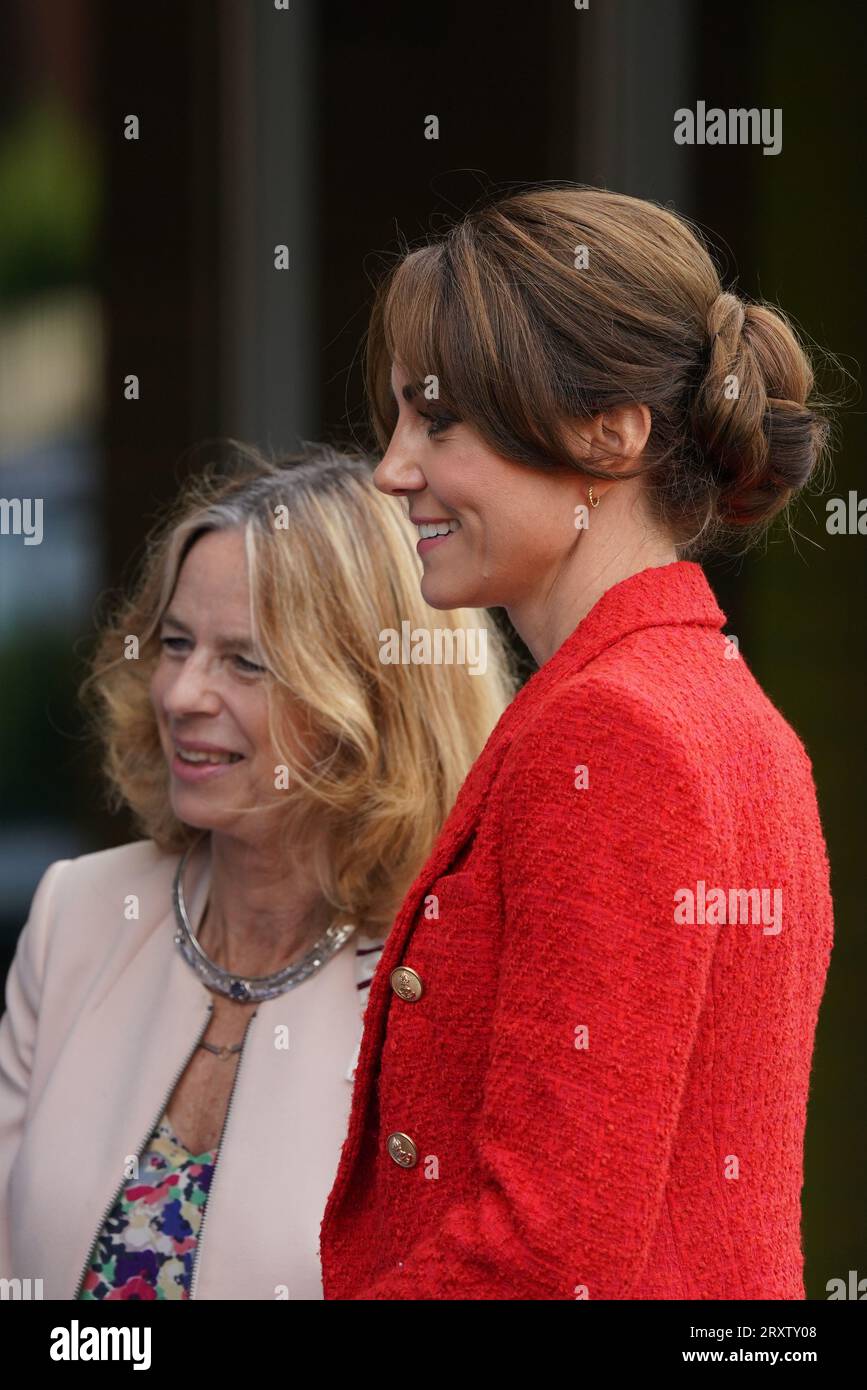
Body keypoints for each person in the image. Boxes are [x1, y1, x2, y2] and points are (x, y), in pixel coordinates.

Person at [319, 185, 836, 1300]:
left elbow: (548, 1250)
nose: (392, 469)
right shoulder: (725, 706)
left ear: (609, 435)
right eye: (396, 420)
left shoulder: (614, 730)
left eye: (439, 421)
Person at [0, 443, 516, 1300]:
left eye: (244, 661)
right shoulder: (77, 913)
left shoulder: (454, 975)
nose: (180, 694)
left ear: (371, 696)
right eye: (174, 644)